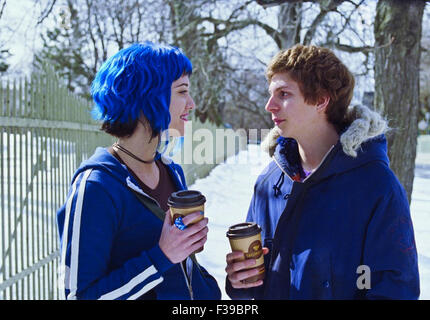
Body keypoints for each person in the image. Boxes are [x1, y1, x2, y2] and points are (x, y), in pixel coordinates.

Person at [225, 44, 420, 299]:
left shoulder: (376, 186)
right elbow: (255, 284)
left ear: (321, 100)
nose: (269, 105)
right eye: (271, 94)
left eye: (283, 94)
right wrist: (240, 280)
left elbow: (395, 290)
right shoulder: (269, 181)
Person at [56, 42, 221, 300]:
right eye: (182, 91)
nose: (191, 103)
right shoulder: (95, 187)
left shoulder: (171, 171)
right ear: (148, 96)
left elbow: (181, 268)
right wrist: (162, 256)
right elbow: (79, 296)